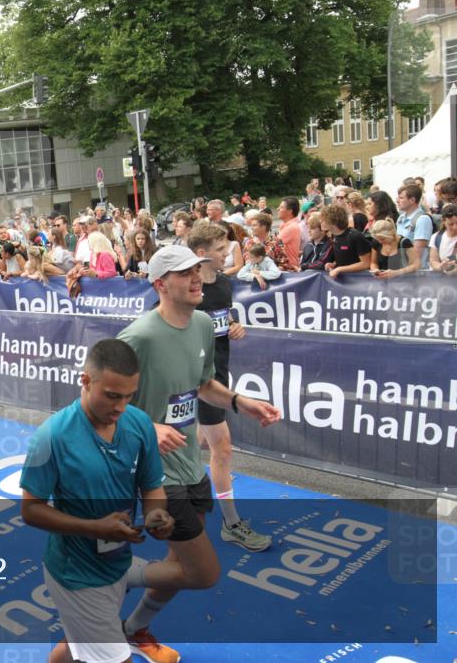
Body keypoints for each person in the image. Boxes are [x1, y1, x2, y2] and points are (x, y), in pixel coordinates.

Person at [117, 244, 281, 663]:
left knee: (178, 562)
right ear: (160, 284)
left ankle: (132, 629)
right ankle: (105, 580)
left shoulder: (205, 323)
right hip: (152, 472)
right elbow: (97, 400)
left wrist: (241, 400)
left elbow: (204, 384)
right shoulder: (138, 337)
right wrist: (148, 426)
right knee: (201, 572)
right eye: (184, 273)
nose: (196, 278)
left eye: (198, 269)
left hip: (190, 464)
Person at [20, 339, 178, 663]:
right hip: (76, 575)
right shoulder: (51, 437)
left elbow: (151, 486)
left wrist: (157, 514)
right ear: (86, 380)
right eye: (112, 395)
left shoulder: (138, 424)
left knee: (74, 640)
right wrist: (94, 528)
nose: (121, 406)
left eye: (129, 395)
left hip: (117, 563)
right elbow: (31, 510)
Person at [186, 223, 271, 551]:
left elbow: (223, 318)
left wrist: (233, 324)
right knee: (221, 449)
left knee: (191, 444)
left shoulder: (222, 284)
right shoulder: (185, 286)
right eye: (222, 251)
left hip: (219, 374)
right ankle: (231, 523)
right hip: (195, 379)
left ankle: (170, 490)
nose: (229, 255)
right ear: (203, 254)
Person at [322, 204, 371, 279]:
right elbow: (346, 259)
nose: (321, 222)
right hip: (344, 281)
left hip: (358, 281)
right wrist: (334, 264)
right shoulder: (334, 235)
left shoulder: (355, 236)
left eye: (323, 220)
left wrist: (340, 269)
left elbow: (366, 263)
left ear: (333, 221)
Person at [429, 203, 457, 275]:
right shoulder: (436, 237)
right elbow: (433, 261)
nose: (455, 227)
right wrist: (440, 267)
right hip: (445, 281)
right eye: (451, 224)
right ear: (443, 221)